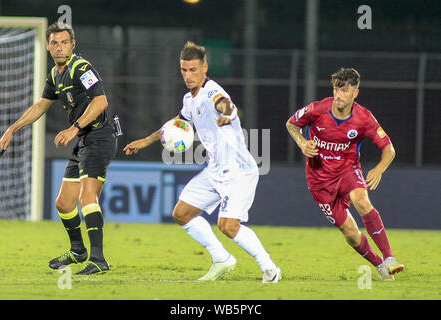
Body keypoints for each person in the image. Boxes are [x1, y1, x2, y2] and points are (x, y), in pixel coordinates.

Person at [124, 41, 281, 283]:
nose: (188, 75)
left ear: (205, 67)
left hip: (237, 170)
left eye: (193, 70)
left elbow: (225, 104)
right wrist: (146, 140)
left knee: (228, 226)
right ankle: (221, 259)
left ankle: (269, 268)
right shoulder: (190, 99)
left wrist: (228, 114)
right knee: (182, 213)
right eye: (184, 70)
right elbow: (178, 122)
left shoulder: (211, 92)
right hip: (215, 168)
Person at [0, 23, 117, 275]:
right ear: (47, 45)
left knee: (87, 198)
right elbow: (41, 105)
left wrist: (74, 128)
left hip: (99, 137)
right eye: (55, 43)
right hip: (83, 141)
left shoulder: (81, 68)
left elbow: (101, 101)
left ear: (72, 45)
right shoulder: (54, 74)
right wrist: (13, 128)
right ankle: (78, 251)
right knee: (63, 204)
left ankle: (98, 259)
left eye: (64, 42)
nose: (59, 47)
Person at [286, 67, 404, 280]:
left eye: (345, 91)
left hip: (347, 171)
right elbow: (291, 124)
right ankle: (379, 264)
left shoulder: (364, 118)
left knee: (362, 201)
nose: (338, 95)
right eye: (336, 90)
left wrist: (379, 169)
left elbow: (389, 149)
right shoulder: (317, 109)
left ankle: (389, 258)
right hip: (319, 180)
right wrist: (302, 143)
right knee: (350, 234)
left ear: (355, 93)